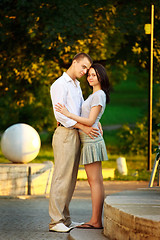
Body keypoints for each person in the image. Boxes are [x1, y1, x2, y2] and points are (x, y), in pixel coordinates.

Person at [55, 63, 110, 229]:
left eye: (94, 75)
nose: (90, 77)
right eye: (89, 75)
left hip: (91, 140)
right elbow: (93, 117)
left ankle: (95, 221)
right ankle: (95, 220)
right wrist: (95, 121)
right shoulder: (94, 94)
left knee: (95, 182)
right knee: (94, 181)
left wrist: (67, 114)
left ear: (101, 76)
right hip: (89, 139)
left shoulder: (99, 94)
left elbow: (91, 121)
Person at [49, 53, 100, 233]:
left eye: (87, 69)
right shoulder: (59, 85)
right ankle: (55, 222)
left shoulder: (77, 86)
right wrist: (83, 127)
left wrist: (94, 121)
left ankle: (65, 219)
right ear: (74, 62)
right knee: (61, 177)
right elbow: (60, 114)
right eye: (83, 67)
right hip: (65, 134)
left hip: (75, 134)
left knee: (70, 180)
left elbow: (80, 109)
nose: (85, 71)